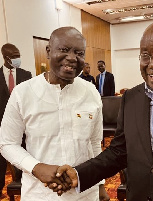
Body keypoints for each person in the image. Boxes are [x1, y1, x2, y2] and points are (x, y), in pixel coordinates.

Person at [48, 19, 153, 201]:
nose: (152, 64)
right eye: (145, 56)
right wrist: (78, 174)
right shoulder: (131, 98)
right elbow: (118, 153)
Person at [0, 27, 109, 201]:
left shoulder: (91, 92)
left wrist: (101, 184)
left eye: (79, 53)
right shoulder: (23, 93)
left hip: (85, 193)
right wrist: (37, 167)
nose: (72, 58)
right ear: (49, 51)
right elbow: (7, 143)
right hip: (39, 193)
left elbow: (95, 143)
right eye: (64, 50)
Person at [0, 43, 32, 198]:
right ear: (5, 57)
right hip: (1, 127)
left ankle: (26, 187)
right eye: (13, 56)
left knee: (25, 159)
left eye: (18, 55)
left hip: (25, 127)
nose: (17, 58)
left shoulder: (26, 75)